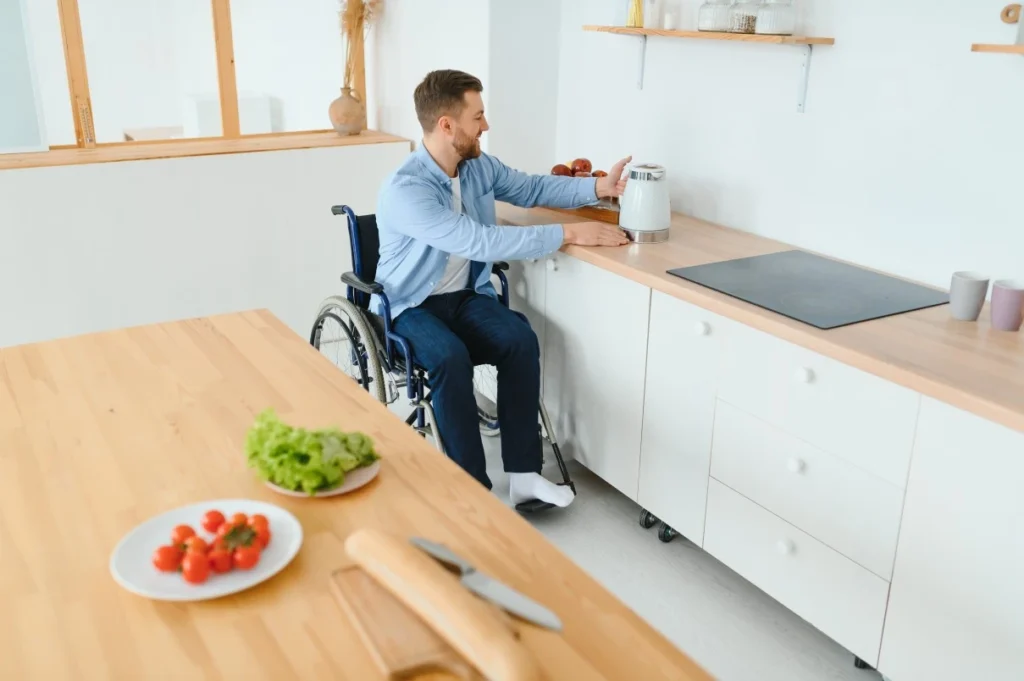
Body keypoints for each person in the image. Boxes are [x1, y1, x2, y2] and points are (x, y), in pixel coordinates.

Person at [374, 69, 630, 508]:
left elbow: (530, 187)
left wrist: (597, 187)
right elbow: (479, 240)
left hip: (466, 296)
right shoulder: (408, 190)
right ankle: (473, 492)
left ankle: (526, 476)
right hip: (411, 306)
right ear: (447, 125)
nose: (486, 126)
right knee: (449, 358)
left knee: (518, 338)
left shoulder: (476, 167)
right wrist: (567, 234)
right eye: (479, 117)